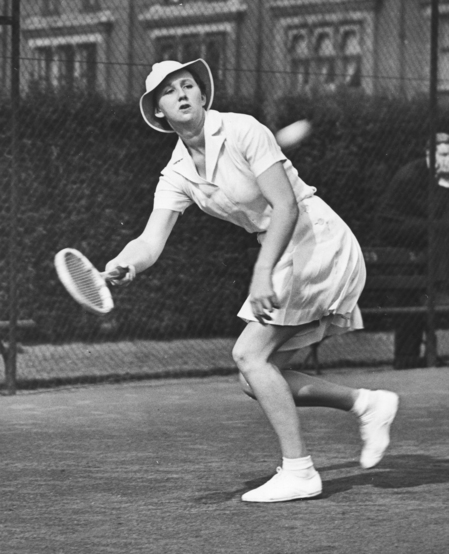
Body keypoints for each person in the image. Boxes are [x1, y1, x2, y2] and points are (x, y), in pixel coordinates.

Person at [105, 59, 399, 503]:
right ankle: (366, 403)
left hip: (316, 240)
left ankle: (299, 472)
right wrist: (127, 262)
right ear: (160, 111)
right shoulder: (177, 173)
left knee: (248, 354)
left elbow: (287, 207)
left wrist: (262, 274)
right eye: (169, 91)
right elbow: (150, 240)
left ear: (203, 95)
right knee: (256, 375)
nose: (182, 93)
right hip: (282, 251)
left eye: (188, 85)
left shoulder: (243, 129)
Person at [377, 133, 449, 369]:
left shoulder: (440, 175)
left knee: (413, 292)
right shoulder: (414, 174)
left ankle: (407, 358)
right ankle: (440, 282)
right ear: (429, 154)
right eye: (444, 155)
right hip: (397, 231)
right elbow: (435, 214)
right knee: (440, 228)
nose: (448, 160)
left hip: (420, 239)